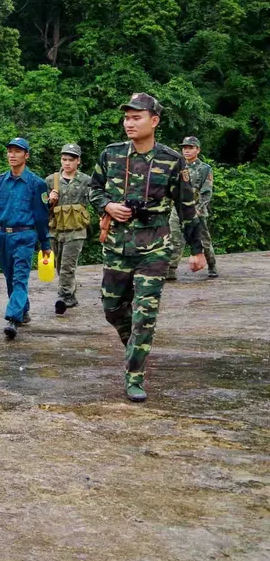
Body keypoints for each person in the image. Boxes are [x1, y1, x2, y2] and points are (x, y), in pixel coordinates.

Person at [89, 93, 206, 403]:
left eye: (136, 117)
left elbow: (187, 206)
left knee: (145, 313)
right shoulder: (110, 155)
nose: (129, 122)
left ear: (154, 121)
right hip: (116, 247)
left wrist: (197, 250)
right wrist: (109, 205)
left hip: (154, 247)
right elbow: (94, 190)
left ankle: (135, 375)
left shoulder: (172, 160)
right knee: (112, 309)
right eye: (127, 117)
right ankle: (134, 347)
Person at [0, 138, 51, 340]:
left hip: (25, 235)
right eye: (10, 151)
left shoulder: (37, 184)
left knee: (20, 278)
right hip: (3, 236)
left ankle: (12, 319)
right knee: (9, 277)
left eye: (17, 151)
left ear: (26, 155)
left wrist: (45, 243)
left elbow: (41, 216)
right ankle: (23, 311)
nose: (12, 155)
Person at [46, 143, 94, 315]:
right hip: (56, 229)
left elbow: (97, 200)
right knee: (59, 265)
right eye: (64, 159)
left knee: (68, 265)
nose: (67, 163)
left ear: (78, 161)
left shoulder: (86, 181)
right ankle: (71, 295)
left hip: (76, 229)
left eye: (71, 160)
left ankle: (64, 296)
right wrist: (49, 200)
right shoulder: (52, 180)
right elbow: (41, 206)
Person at [168, 136, 218, 280]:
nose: (187, 150)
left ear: (198, 150)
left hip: (196, 210)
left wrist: (198, 208)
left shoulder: (204, 169)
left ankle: (212, 265)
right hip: (177, 209)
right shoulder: (178, 167)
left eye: (190, 148)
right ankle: (171, 270)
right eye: (184, 148)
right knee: (175, 239)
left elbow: (206, 191)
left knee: (203, 240)